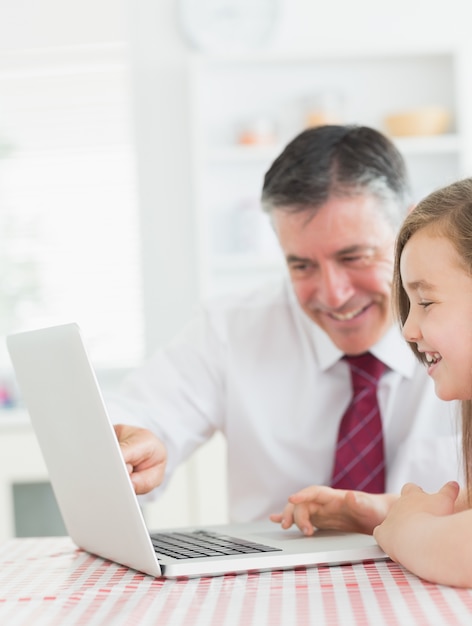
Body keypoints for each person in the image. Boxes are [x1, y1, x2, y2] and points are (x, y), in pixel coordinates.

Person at [108, 125, 461, 523]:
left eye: (355, 257)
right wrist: (131, 443)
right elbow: (141, 416)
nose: (333, 294)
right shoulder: (231, 328)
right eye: (302, 265)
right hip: (271, 578)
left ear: (408, 233)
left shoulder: (462, 331)